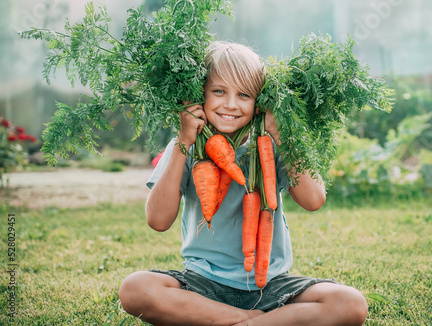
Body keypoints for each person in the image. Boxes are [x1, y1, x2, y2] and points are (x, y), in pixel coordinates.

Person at [119, 41, 368, 326]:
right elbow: (158, 220)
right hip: (202, 285)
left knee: (350, 303)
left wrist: (281, 135)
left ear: (260, 102)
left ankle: (235, 323)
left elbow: (314, 201)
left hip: (270, 287)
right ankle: (258, 321)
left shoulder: (272, 145)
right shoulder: (186, 146)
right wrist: (183, 142)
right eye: (219, 91)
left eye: (244, 95)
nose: (230, 104)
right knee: (135, 289)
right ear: (201, 95)